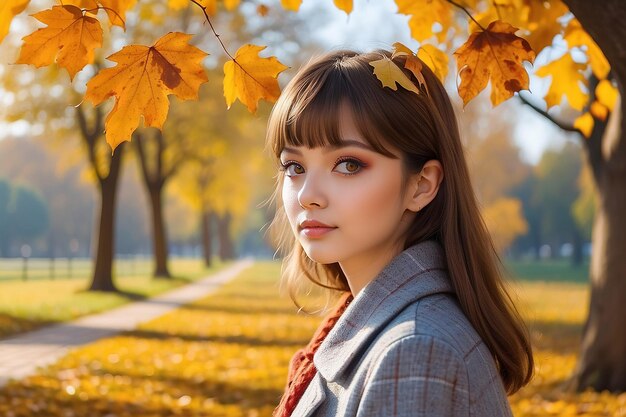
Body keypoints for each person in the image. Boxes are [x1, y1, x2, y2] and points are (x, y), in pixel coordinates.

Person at [265, 48, 534, 417]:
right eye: (294, 166)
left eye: (348, 164)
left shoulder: (414, 354)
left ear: (421, 185)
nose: (308, 195)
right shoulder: (382, 331)